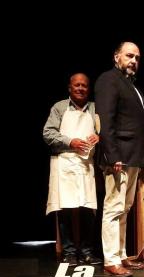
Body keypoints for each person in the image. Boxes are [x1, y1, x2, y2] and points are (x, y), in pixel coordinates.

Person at [94, 41, 144, 277]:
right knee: (114, 208)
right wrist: (113, 155)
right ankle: (111, 259)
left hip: (132, 156)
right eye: (129, 56)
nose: (134, 61)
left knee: (124, 208)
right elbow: (105, 121)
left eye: (137, 58)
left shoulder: (130, 85)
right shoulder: (108, 80)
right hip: (119, 156)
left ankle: (121, 254)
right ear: (116, 57)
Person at [43, 73, 103, 266]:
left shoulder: (95, 109)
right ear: (70, 87)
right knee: (66, 210)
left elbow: (105, 130)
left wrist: (98, 136)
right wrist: (70, 142)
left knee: (88, 209)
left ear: (89, 89)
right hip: (64, 163)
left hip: (86, 164)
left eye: (84, 85)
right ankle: (69, 253)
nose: (80, 88)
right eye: (77, 85)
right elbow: (48, 133)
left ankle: (87, 252)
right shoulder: (60, 107)